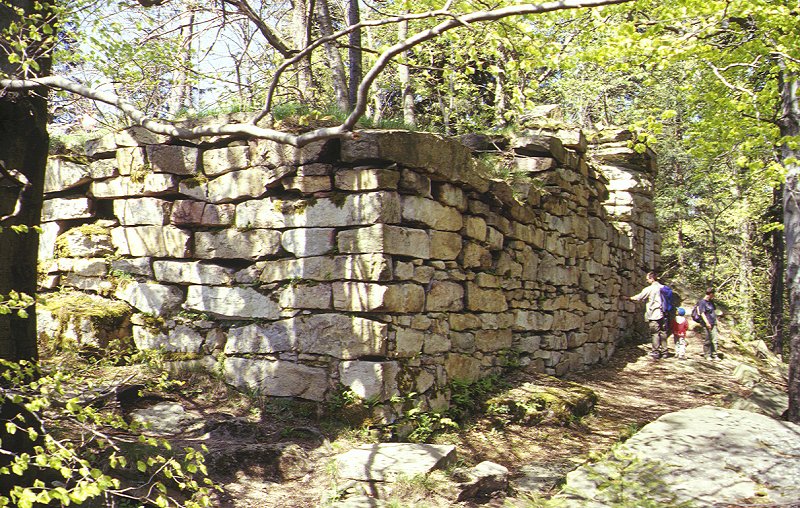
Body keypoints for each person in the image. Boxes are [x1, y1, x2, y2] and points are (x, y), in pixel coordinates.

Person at [628, 271, 667, 359]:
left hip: (654, 314)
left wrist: (628, 298)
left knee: (655, 333)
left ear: (651, 278)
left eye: (647, 279)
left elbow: (639, 297)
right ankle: (665, 352)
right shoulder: (663, 287)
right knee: (663, 332)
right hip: (664, 314)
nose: (646, 281)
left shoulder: (650, 289)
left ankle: (656, 352)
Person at [697, 288, 719, 360]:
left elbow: (713, 311)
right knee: (707, 339)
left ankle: (714, 354)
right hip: (706, 323)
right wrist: (707, 322)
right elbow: (702, 313)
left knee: (714, 339)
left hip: (713, 322)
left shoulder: (711, 302)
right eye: (713, 294)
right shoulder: (702, 302)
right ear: (710, 294)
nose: (714, 296)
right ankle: (707, 355)